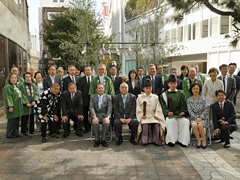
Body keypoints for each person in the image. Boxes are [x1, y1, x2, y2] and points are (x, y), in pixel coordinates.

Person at [160, 75, 190, 147]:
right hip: (170, 115)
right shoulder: (164, 94)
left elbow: (184, 104)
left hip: (180, 114)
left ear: (177, 84)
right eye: (171, 83)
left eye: (174, 83)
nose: (173, 85)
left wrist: (183, 111)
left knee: (185, 121)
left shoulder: (181, 94)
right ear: (168, 84)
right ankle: (171, 140)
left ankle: (183, 141)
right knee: (171, 121)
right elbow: (163, 106)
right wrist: (167, 112)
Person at [136, 79, 166, 146]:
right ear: (144, 89)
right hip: (144, 116)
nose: (148, 90)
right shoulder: (139, 97)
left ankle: (156, 140)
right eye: (147, 88)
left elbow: (158, 108)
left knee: (156, 124)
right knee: (145, 124)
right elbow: (138, 108)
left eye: (150, 88)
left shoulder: (155, 97)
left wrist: (157, 115)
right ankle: (145, 141)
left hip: (153, 116)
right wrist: (141, 116)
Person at [3, 73, 25, 138]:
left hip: (17, 106)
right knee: (11, 120)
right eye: (12, 78)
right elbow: (8, 97)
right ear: (9, 79)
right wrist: (10, 106)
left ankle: (16, 132)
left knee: (16, 120)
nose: (14, 79)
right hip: (12, 107)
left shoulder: (16, 86)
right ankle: (9, 134)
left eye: (15, 78)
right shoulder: (7, 87)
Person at [187, 83, 208, 149]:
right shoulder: (189, 100)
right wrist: (196, 118)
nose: (195, 90)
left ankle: (204, 140)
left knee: (200, 125)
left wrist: (201, 117)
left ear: (199, 90)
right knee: (194, 125)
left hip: (202, 118)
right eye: (194, 89)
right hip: (194, 118)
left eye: (197, 89)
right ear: (191, 90)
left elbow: (206, 109)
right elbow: (189, 111)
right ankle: (198, 140)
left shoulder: (203, 99)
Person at [77, 65, 93, 133]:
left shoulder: (94, 79)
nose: (88, 71)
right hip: (84, 100)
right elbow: (79, 91)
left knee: (92, 114)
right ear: (84, 71)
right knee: (85, 114)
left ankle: (93, 127)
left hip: (93, 100)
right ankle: (86, 127)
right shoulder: (81, 80)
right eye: (86, 70)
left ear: (91, 71)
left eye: (89, 70)